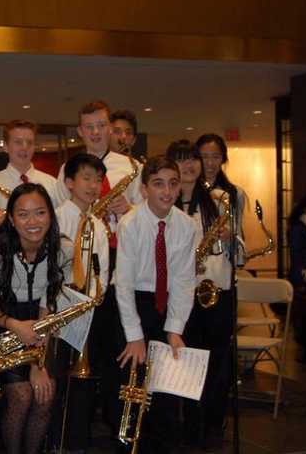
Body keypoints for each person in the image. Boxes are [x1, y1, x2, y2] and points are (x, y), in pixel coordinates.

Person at [0, 183, 73, 454]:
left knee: (45, 395)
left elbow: (50, 305)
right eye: (23, 214)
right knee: (21, 396)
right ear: (10, 219)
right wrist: (16, 326)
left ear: (51, 215)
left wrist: (38, 360)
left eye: (40, 212)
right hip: (3, 323)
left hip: (44, 325)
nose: (33, 222)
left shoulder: (63, 249)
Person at [115, 155, 197, 453]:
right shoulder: (131, 223)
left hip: (168, 306)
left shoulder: (186, 225)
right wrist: (134, 336)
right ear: (145, 188)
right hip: (135, 305)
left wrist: (175, 329)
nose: (166, 191)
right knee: (133, 390)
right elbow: (122, 284)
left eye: (173, 184)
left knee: (166, 390)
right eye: (158, 184)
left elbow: (184, 281)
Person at [167, 140, 233, 451]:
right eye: (181, 161)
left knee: (217, 364)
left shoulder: (219, 200)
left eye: (192, 159)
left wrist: (230, 237)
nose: (190, 165)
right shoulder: (165, 203)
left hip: (215, 293)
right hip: (181, 295)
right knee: (186, 363)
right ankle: (189, 426)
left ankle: (212, 425)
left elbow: (239, 251)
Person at [54, 153, 109, 451]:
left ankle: (79, 439)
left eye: (98, 180)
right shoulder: (57, 217)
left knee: (84, 385)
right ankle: (59, 438)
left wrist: (96, 293)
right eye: (86, 178)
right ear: (70, 182)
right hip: (63, 309)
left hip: (89, 310)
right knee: (61, 379)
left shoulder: (97, 225)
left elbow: (103, 268)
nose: (93, 185)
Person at [0, 119, 57, 216]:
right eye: (18, 142)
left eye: (29, 142)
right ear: (5, 146)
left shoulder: (51, 184)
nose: (24, 147)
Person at [195, 133, 247, 264]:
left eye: (216, 157)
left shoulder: (236, 194)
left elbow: (239, 235)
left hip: (222, 264)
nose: (210, 163)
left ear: (223, 159)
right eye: (204, 157)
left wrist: (230, 236)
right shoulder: (187, 190)